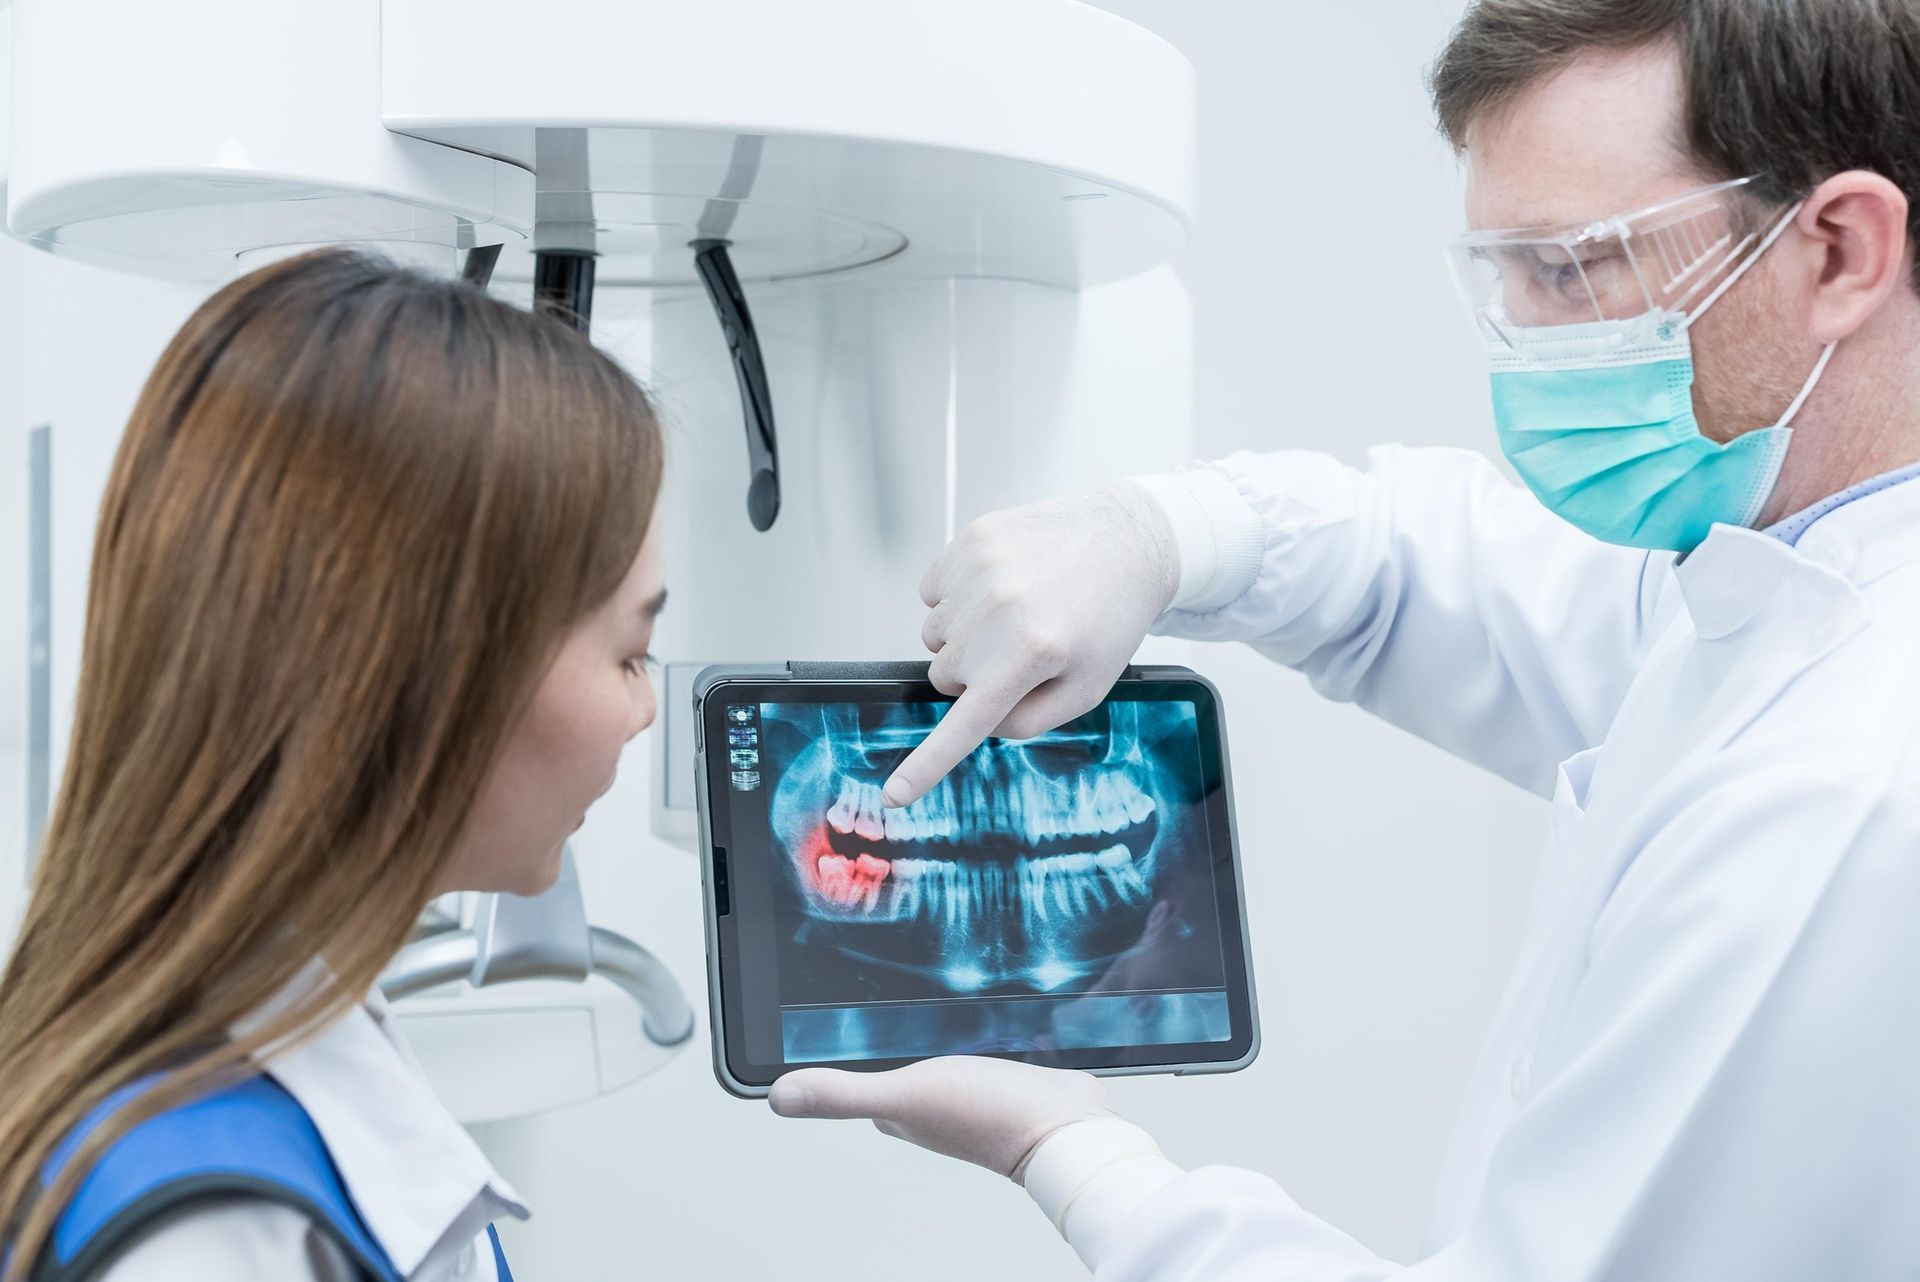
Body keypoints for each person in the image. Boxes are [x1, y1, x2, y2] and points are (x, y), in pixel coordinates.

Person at [769, 1, 1920, 1277]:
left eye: (1573, 269)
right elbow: (1438, 567)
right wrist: (1170, 528)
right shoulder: (1779, 583)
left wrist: (1078, 1159)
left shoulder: (1845, 785)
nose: (1524, 340)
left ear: (1839, 252)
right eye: (1503, 274)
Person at [0, 248, 667, 1281]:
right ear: (436, 671)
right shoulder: (215, 1241)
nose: (647, 706)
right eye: (630, 653)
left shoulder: (245, 1053)